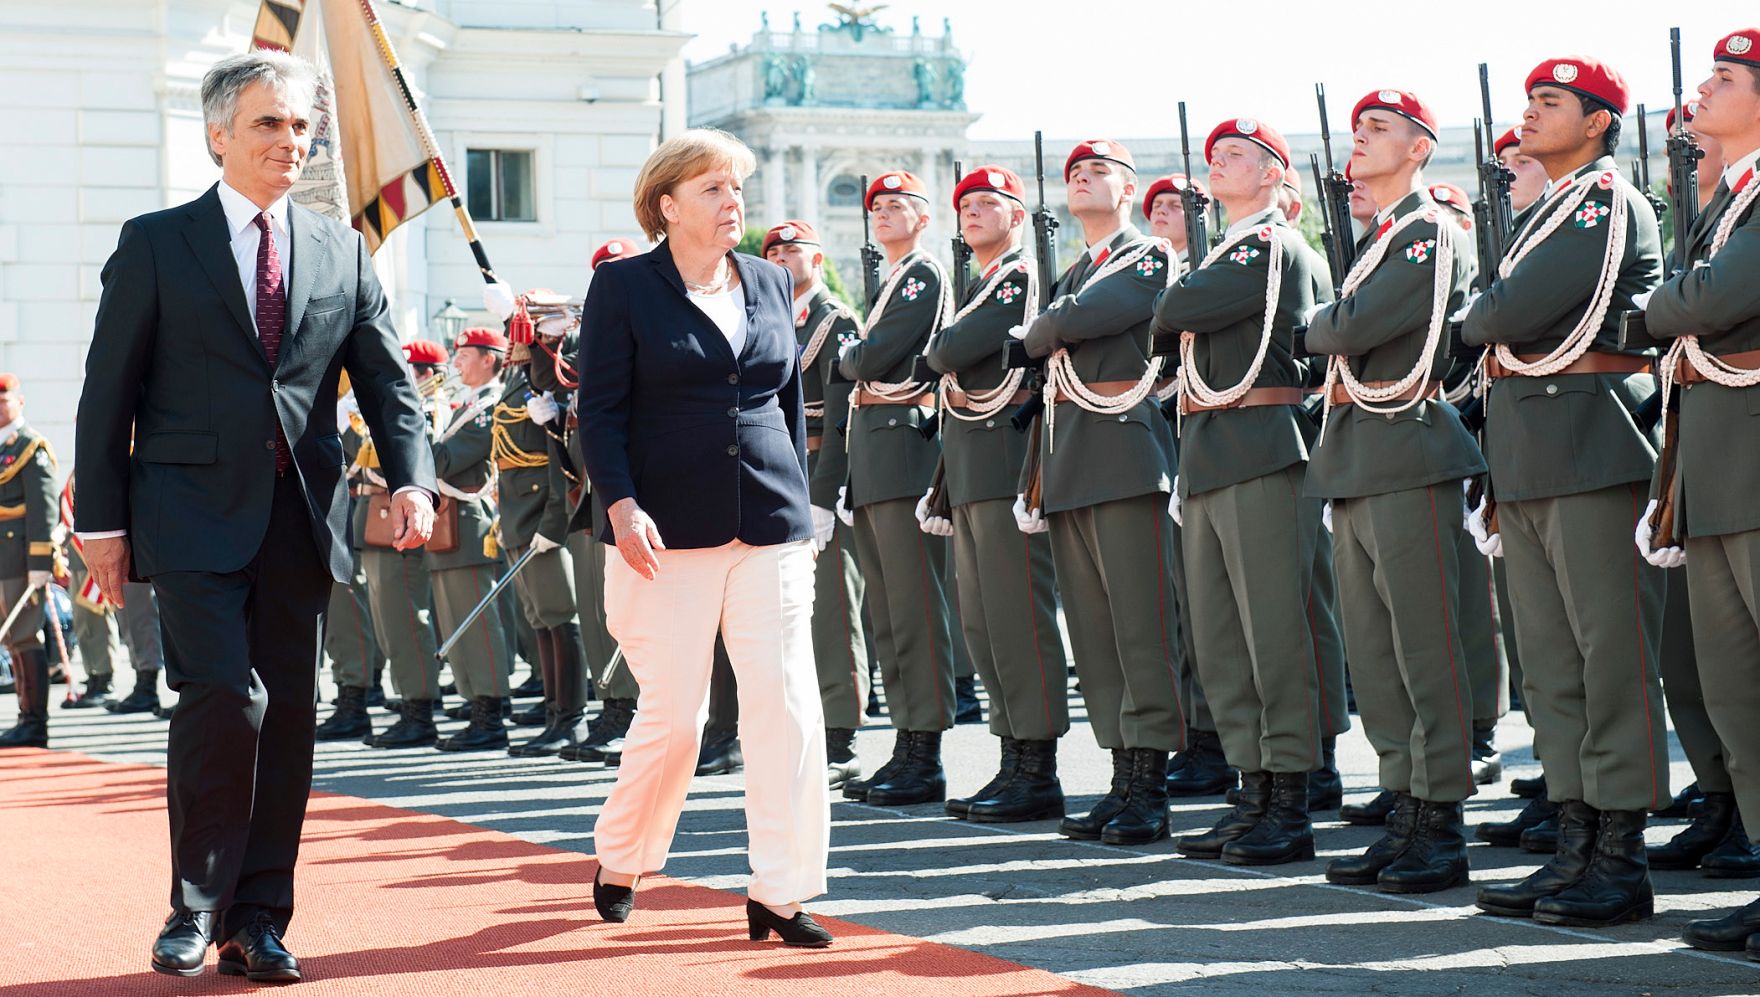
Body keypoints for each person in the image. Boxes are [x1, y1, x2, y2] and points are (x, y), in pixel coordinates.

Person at [75, 51, 436, 981]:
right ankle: (194, 907)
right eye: (270, 124)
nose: (292, 141)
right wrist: (102, 523)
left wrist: (415, 479)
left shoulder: (340, 247)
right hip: (187, 514)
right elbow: (106, 388)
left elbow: (389, 381)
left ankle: (258, 917)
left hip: (301, 517)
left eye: (302, 126)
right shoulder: (157, 241)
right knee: (225, 698)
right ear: (219, 136)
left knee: (289, 720)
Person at [578, 128, 832, 947]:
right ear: (668, 205)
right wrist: (620, 506)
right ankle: (623, 855)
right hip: (664, 529)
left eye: (738, 188)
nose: (735, 204)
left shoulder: (766, 277)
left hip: (769, 523)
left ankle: (781, 889)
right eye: (716, 189)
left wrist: (798, 497)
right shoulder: (623, 289)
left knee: (785, 707)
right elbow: (601, 412)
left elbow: (785, 400)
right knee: (678, 715)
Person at [1463, 57, 1670, 928]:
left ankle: (1619, 859)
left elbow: (1501, 315)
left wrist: (1483, 312)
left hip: (1589, 448)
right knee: (1552, 669)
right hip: (1534, 453)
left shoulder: (1600, 201)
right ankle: (1574, 842)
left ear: (1596, 122)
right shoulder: (1542, 209)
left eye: (1551, 103)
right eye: (1530, 101)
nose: (1531, 115)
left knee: (1607, 662)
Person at [1304, 89, 1485, 894]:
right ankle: (1404, 804)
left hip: (1406, 450)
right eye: (1358, 129)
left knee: (1423, 645)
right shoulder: (1380, 240)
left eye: (1379, 129)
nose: (1361, 141)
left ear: (1419, 148)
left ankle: (1439, 821)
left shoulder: (1425, 233)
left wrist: (1323, 320)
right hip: (1358, 455)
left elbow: (1344, 330)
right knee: (1376, 655)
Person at [1153, 118, 1329, 867]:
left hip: (1260, 447)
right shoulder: (1225, 250)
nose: (1216, 164)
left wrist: (1180, 291)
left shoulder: (1270, 243)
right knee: (1224, 640)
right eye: (1214, 153)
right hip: (1214, 450)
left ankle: (1287, 796)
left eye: (1236, 156)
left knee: (1272, 635)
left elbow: (1174, 313)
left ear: (1272, 176)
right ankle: (1252, 787)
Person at [1016, 139, 1184, 847]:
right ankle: (1121, 774)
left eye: (1099, 171)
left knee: (1140, 627)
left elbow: (1066, 326)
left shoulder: (1147, 255)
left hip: (1122, 453)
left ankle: (1150, 783)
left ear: (1128, 189)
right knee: (1094, 633)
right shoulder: (1080, 268)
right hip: (1072, 457)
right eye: (1074, 172)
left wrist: (1046, 327)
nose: (1082, 178)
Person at [1636, 27, 1760, 956]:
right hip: (1716, 468)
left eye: (1725, 78)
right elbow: (1691, 294)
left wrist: (1681, 299)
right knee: (1734, 689)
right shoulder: (1727, 201)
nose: (1703, 93)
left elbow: (1702, 302)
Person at [923, 166, 1071, 823]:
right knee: (983, 625)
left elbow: (949, 348)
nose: (975, 213)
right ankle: (1012, 756)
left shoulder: (1013, 277)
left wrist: (944, 346)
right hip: (971, 465)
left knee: (1019, 620)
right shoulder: (978, 284)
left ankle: (1038, 767)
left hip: (1006, 466)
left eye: (990, 203)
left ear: (1018, 216)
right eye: (967, 205)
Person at [836, 170, 960, 807]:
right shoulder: (892, 278)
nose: (883, 214)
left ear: (923, 216)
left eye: (897, 205)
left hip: (904, 449)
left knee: (914, 611)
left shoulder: (920, 273)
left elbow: (871, 357)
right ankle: (908, 742)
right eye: (876, 207)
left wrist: (855, 355)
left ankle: (926, 751)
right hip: (876, 456)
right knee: (886, 615)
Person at [761, 220, 873, 788]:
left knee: (831, 613)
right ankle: (803, 733)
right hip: (777, 477)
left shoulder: (835, 321)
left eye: (792, 249)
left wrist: (825, 498)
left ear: (818, 258)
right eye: (772, 250)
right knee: (785, 616)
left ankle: (842, 738)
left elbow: (841, 417)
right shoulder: (771, 321)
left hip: (817, 475)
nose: (781, 257)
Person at [537, 238, 644, 765]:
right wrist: (538, 342)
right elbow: (553, 382)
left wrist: (558, 339)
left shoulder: (637, 321)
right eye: (602, 274)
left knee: (633, 609)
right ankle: (613, 706)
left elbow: (584, 369)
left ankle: (632, 709)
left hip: (631, 488)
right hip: (590, 489)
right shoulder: (590, 331)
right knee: (601, 609)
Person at [427, 327, 516, 752]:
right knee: (453, 618)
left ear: (490, 359)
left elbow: (443, 459)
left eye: (464, 356)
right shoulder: (465, 404)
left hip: (469, 520)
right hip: (449, 523)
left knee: (477, 623)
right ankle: (473, 701)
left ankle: (490, 711)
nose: (456, 363)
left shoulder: (489, 407)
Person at [359, 341, 447, 748]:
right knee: (389, 620)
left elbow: (408, 456)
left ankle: (420, 708)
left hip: (405, 517)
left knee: (408, 617)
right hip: (376, 520)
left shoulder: (427, 409)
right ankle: (409, 700)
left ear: (426, 373)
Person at [0, 374, 63, 749]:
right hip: (4, 558)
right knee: (12, 637)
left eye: (4, 401)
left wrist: (41, 562)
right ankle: (24, 716)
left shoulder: (31, 446)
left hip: (23, 559)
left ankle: (35, 724)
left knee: (24, 635)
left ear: (19, 402)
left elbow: (43, 508)